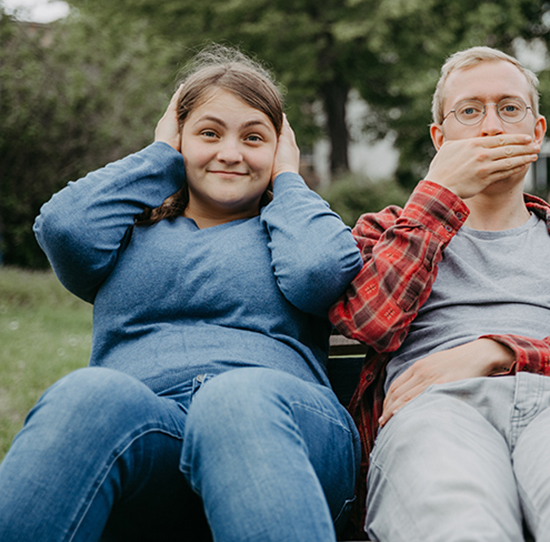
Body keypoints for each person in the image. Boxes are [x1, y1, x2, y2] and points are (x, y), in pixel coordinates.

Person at [0, 46, 363, 541]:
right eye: (209, 133)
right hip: (153, 443)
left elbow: (321, 271)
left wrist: (288, 181)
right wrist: (159, 157)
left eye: (254, 137)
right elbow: (64, 228)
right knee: (87, 394)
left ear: (280, 148)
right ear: (177, 139)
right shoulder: (126, 236)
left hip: (281, 436)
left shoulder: (291, 232)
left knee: (232, 399)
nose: (231, 153)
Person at [329, 46, 550, 541]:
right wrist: (438, 193)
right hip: (435, 414)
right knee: (460, 522)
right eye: (469, 111)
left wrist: (497, 352)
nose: (491, 127)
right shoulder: (389, 231)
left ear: (537, 132)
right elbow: (368, 320)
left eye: (509, 109)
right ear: (440, 139)